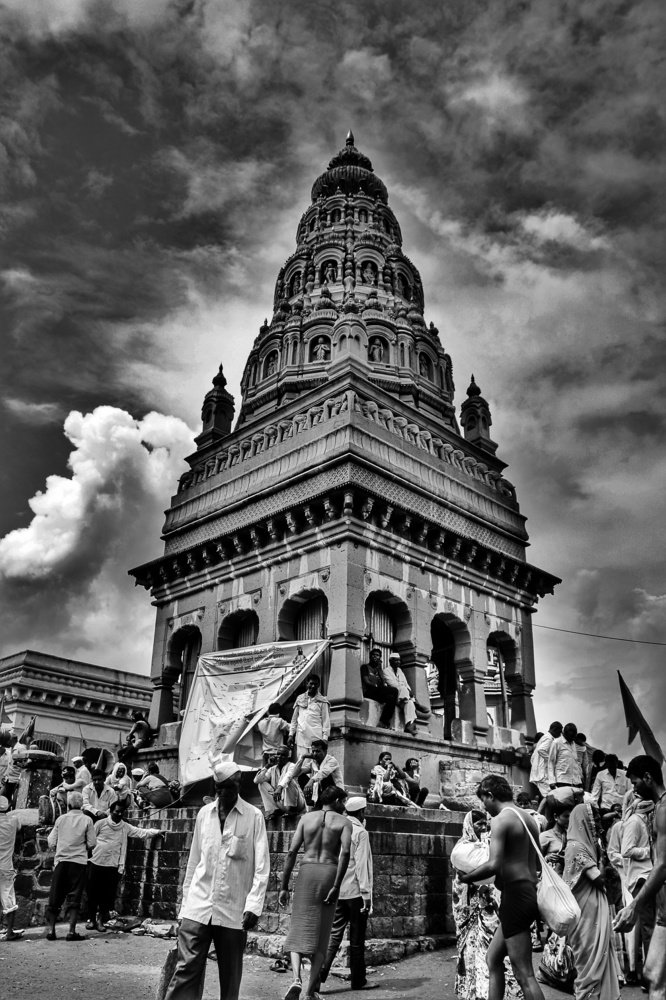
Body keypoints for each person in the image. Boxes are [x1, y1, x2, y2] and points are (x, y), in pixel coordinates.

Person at [164, 760, 269, 1000]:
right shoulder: (204, 814)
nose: (224, 793)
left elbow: (262, 867)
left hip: (234, 910)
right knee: (185, 970)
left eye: (229, 788)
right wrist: (184, 907)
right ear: (215, 787)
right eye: (220, 788)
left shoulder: (254, 817)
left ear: (238, 785)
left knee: (230, 977)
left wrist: (254, 905)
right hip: (198, 906)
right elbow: (194, 862)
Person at [459, 774, 545, 1000]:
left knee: (524, 973)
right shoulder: (529, 819)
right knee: (493, 959)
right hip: (528, 892)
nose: (484, 808)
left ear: (490, 795)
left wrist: (467, 877)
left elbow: (494, 864)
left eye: (483, 801)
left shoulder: (501, 820)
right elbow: (535, 863)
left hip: (515, 896)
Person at [279, 785, 352, 1000]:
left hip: (307, 872)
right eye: (344, 802)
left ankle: (296, 979)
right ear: (337, 801)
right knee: (322, 936)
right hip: (329, 873)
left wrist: (284, 886)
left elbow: (292, 852)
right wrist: (337, 886)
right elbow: (345, 853)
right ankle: (310, 992)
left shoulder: (306, 819)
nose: (345, 807)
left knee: (298, 928)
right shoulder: (344, 823)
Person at [452, 810, 522, 1000]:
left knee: (490, 951)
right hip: (470, 908)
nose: (483, 828)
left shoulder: (488, 847)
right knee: (471, 950)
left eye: (485, 823)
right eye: (478, 824)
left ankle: (490, 991)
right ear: (469, 826)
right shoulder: (463, 848)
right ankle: (472, 991)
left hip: (490, 908)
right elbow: (461, 882)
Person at [614, 755, 666, 1000]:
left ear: (648, 777)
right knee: (653, 975)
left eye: (635, 783)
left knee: (655, 978)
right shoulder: (658, 809)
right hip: (664, 910)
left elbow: (663, 864)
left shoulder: (664, 809)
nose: (633, 789)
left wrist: (634, 906)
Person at [563, 801, 621, 1000]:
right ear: (582, 820)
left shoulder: (589, 846)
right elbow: (599, 878)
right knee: (588, 960)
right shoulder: (577, 847)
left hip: (594, 909)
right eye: (594, 819)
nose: (598, 823)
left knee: (599, 956)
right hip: (586, 913)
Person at [318, 796, 373, 992]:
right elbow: (362, 866)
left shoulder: (336, 829)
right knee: (357, 940)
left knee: (334, 937)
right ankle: (358, 980)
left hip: (338, 890)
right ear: (362, 812)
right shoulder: (361, 833)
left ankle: (317, 978)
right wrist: (366, 894)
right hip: (356, 893)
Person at [86, 799, 160, 932]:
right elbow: (90, 840)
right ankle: (91, 919)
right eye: (116, 812)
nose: (119, 814)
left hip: (112, 865)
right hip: (96, 862)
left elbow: (140, 832)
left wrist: (156, 832)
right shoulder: (100, 824)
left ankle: (100, 920)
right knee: (92, 892)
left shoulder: (125, 826)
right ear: (110, 811)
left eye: (121, 812)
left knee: (106, 895)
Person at [45, 790, 96, 941]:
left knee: (55, 897)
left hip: (61, 861)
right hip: (79, 862)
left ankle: (51, 931)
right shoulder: (87, 820)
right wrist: (82, 848)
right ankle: (71, 932)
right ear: (81, 805)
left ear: (68, 804)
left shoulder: (61, 819)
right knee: (75, 897)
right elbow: (92, 843)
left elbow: (51, 841)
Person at [621, 791, 656, 986]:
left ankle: (650, 974)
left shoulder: (645, 820)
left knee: (651, 927)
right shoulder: (635, 822)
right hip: (641, 877)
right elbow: (626, 850)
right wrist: (650, 850)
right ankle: (649, 977)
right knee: (648, 928)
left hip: (648, 874)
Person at [288, 676, 330, 771]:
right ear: (307, 684)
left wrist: (325, 738)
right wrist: (291, 735)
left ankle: (314, 785)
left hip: (316, 739)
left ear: (319, 685)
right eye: (311, 683)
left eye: (315, 684)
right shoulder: (300, 699)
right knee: (301, 764)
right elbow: (294, 720)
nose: (313, 686)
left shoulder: (322, 701)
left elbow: (326, 721)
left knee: (315, 766)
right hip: (301, 738)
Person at [289, 739, 344, 809]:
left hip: (336, 793)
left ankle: (324, 803)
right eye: (313, 751)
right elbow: (295, 773)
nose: (314, 754)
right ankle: (312, 801)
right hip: (321, 793)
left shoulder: (332, 761)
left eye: (317, 751)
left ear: (325, 751)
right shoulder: (313, 762)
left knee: (323, 778)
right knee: (301, 777)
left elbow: (323, 773)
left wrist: (310, 782)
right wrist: (303, 757)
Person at [255, 747, 305, 819]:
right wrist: (267, 765)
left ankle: (292, 810)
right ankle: (276, 809)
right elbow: (257, 780)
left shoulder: (292, 766)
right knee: (261, 784)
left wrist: (279, 787)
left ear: (288, 757)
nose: (279, 757)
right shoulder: (273, 768)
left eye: (283, 755)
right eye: (278, 754)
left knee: (289, 781)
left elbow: (288, 777)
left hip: (297, 804)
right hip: (281, 802)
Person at [0, 794, 23, 940]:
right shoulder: (14, 820)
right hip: (6, 866)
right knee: (9, 900)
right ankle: (8, 932)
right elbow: (20, 829)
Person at [360, 648, 399, 729]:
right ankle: (384, 722)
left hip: (377, 692)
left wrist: (379, 669)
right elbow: (366, 681)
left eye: (377, 655)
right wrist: (376, 686)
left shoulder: (378, 670)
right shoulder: (365, 667)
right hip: (369, 691)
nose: (375, 657)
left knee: (391, 698)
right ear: (370, 656)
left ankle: (383, 721)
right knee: (394, 690)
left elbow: (383, 683)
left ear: (380, 658)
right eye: (373, 655)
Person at [382, 653, 418, 736]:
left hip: (403, 698)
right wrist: (407, 691)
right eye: (396, 660)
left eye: (399, 660)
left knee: (410, 703)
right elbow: (393, 684)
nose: (398, 662)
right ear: (390, 661)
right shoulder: (386, 671)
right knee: (404, 690)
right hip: (395, 696)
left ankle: (408, 725)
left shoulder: (400, 671)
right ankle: (416, 703)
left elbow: (406, 684)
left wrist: (409, 690)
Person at [530, 723, 563, 798]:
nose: (560, 734)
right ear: (555, 730)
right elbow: (541, 750)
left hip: (538, 774)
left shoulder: (544, 737)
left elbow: (532, 757)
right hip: (542, 775)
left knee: (548, 797)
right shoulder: (549, 739)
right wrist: (551, 760)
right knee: (552, 797)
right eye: (560, 732)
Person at [548, 723, 583, 791]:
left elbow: (575, 762)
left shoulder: (573, 743)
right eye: (570, 738)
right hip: (562, 781)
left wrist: (580, 778)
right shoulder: (557, 742)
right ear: (565, 734)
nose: (572, 739)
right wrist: (551, 781)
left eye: (573, 738)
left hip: (576, 781)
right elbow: (551, 762)